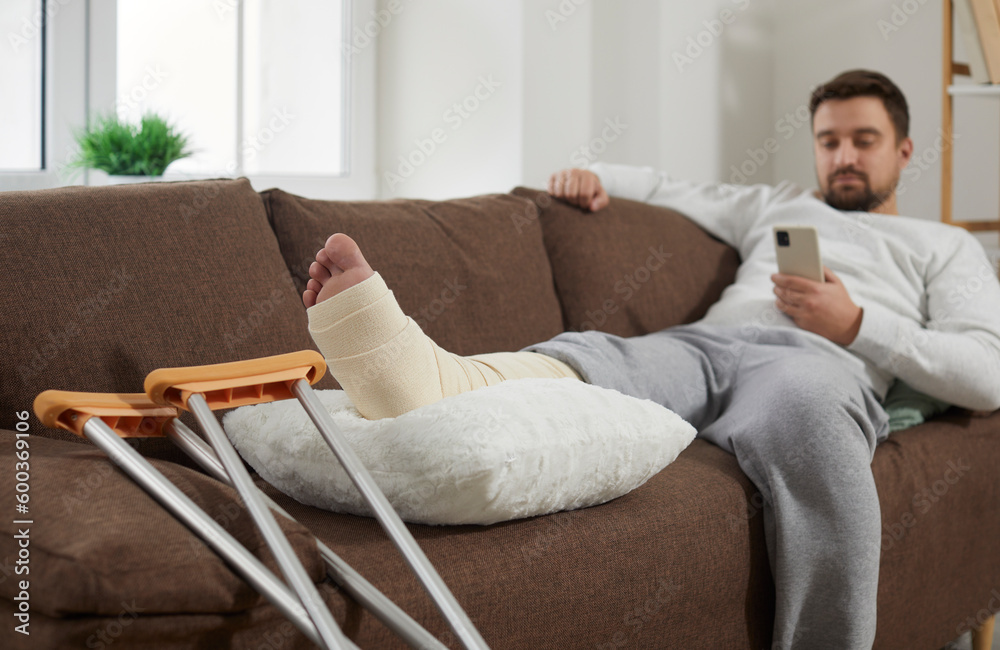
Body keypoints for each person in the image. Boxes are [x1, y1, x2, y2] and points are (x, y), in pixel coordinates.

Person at [300, 70, 1000, 649]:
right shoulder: (778, 206)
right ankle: (425, 380)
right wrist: (591, 177)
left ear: (905, 151)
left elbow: (985, 375)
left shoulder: (941, 245)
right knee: (595, 363)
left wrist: (856, 325)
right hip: (701, 347)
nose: (844, 156)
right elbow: (666, 188)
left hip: (814, 364)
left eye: (864, 141)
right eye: (829, 141)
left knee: (814, 429)